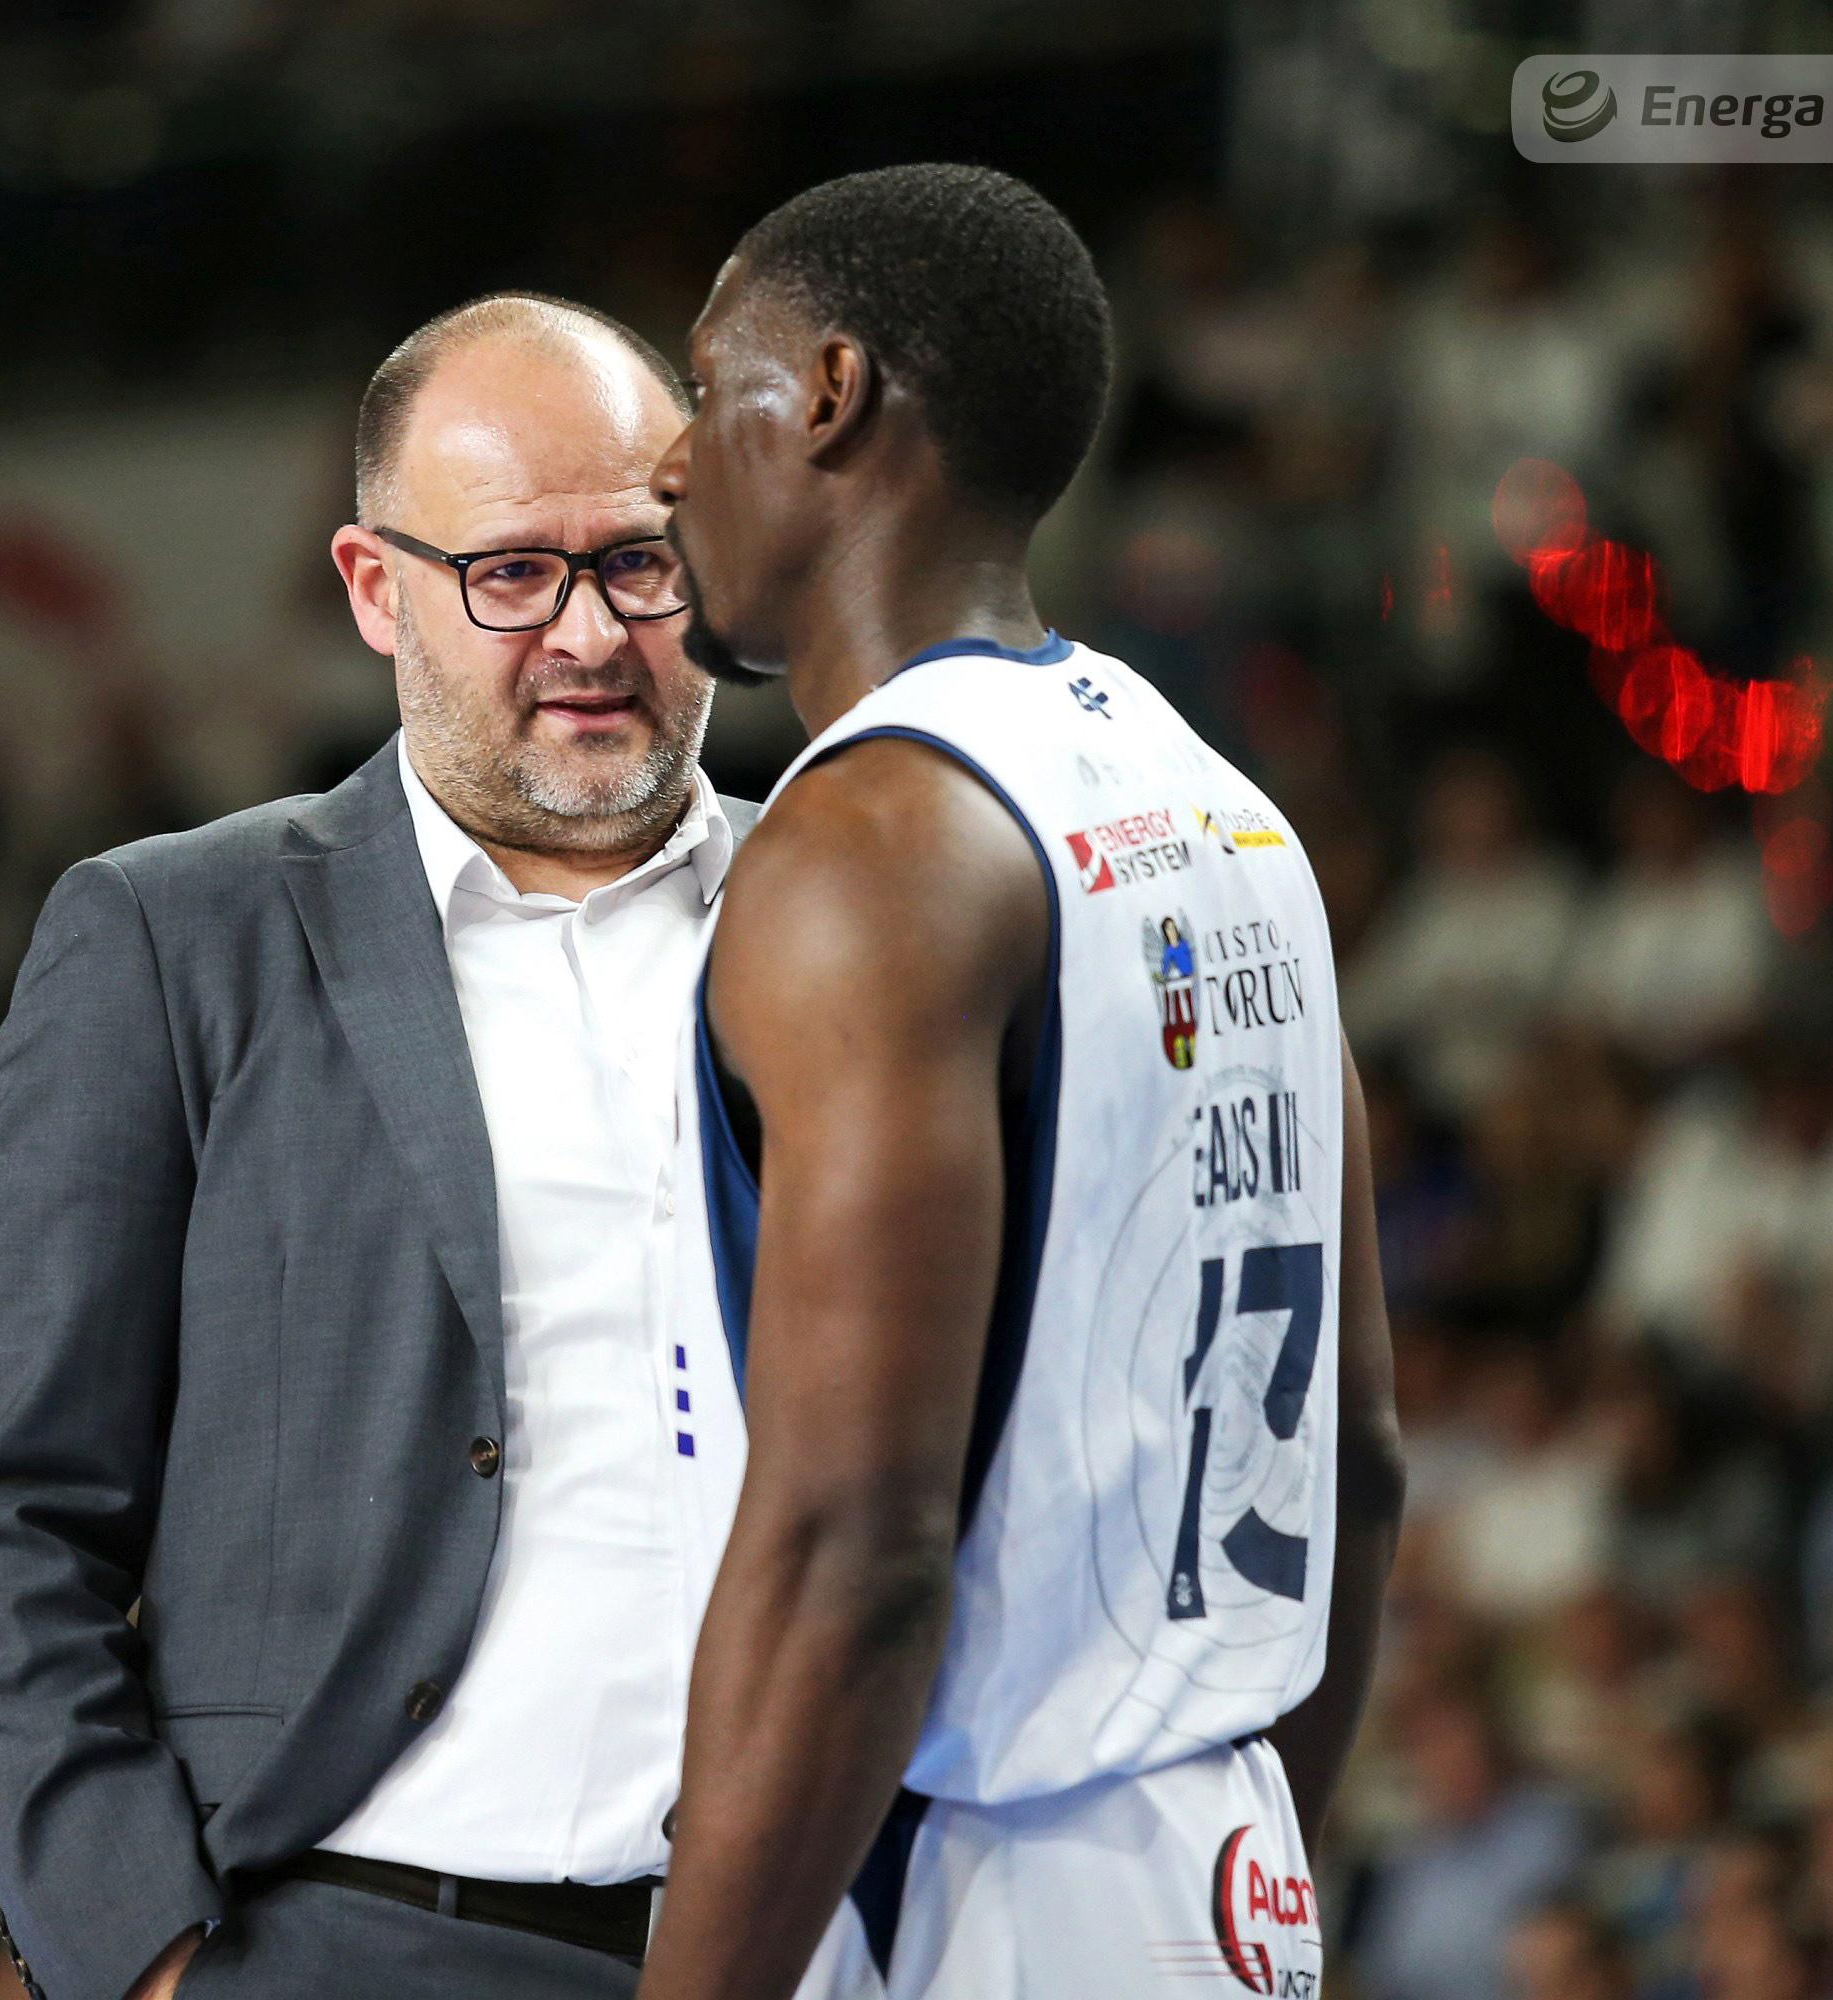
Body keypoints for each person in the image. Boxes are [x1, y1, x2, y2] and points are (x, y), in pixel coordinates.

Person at [0, 292, 754, 2000]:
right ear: (374, 588)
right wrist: (145, 1958)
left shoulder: (851, 909)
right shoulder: (173, 941)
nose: (590, 632)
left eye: (640, 564)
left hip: (827, 1939)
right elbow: (6, 1523)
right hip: (350, 1941)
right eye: (514, 574)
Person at [634, 165, 1407, 2000]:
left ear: (830, 396)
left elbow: (859, 1550)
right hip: (1218, 1858)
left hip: (982, 1881)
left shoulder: (875, 847)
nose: (668, 461)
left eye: (707, 386)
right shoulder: (1222, 805)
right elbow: (1359, 1468)